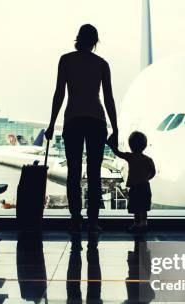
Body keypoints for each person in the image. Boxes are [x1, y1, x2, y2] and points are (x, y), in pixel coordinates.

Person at [45, 24, 118, 233]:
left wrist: (51, 124)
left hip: (73, 120)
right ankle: (93, 221)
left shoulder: (66, 60)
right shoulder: (102, 64)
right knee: (94, 173)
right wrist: (116, 128)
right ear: (95, 41)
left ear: (77, 38)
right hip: (96, 120)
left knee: (73, 173)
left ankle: (75, 219)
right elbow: (109, 98)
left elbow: (59, 93)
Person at [108, 131, 156, 231]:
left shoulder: (130, 156)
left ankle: (137, 224)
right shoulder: (148, 159)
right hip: (145, 186)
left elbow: (118, 153)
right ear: (145, 145)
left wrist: (111, 145)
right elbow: (153, 172)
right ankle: (144, 224)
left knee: (136, 207)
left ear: (130, 145)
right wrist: (147, 178)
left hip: (135, 187)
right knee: (143, 207)